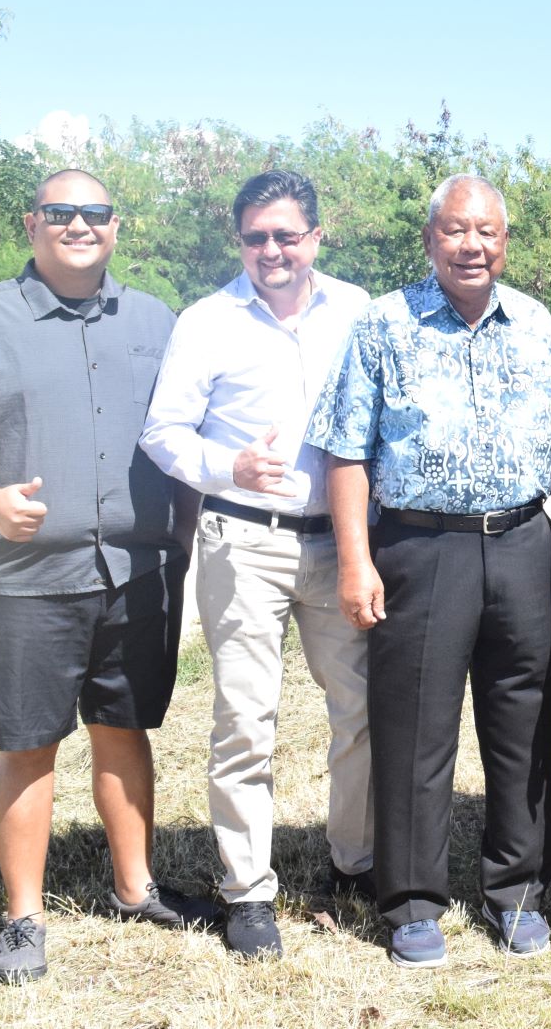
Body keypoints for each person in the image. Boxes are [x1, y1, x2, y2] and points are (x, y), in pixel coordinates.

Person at [0, 169, 218, 984]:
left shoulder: (155, 321)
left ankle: (135, 885)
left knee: (125, 727)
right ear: (33, 222)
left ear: (117, 225)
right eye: (62, 213)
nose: (80, 225)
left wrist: (186, 534)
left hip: (138, 572)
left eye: (95, 213)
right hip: (23, 577)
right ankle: (23, 917)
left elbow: (184, 430)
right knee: (29, 742)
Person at [305, 173, 551, 969]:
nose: (471, 245)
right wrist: (356, 560)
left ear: (505, 242)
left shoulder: (539, 328)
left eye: (486, 231)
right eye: (455, 230)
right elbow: (345, 448)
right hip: (420, 548)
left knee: (522, 724)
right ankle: (413, 900)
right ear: (429, 240)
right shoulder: (383, 325)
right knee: (414, 728)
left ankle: (517, 887)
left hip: (523, 543)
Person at [139, 170, 374, 959]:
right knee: (245, 720)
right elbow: (162, 430)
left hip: (341, 541)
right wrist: (223, 466)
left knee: (361, 708)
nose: (270, 250)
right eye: (254, 237)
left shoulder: (357, 312)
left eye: (284, 234)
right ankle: (247, 893)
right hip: (243, 539)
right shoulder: (207, 321)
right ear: (238, 242)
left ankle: (356, 863)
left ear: (315, 237)